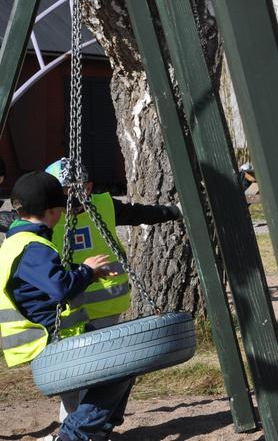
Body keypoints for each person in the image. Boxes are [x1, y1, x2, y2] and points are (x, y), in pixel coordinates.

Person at [44, 157, 180, 421]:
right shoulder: (47, 216)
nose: (68, 198)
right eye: (61, 192)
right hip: (67, 308)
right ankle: (78, 424)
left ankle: (81, 426)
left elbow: (140, 213)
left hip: (105, 303)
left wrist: (173, 211)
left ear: (88, 188)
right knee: (73, 371)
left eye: (74, 190)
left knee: (99, 368)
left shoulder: (104, 205)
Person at [0, 171, 132, 441]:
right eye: (61, 207)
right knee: (121, 366)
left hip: (46, 341)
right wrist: (84, 270)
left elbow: (45, 276)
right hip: (50, 343)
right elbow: (60, 287)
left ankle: (94, 429)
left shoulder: (17, 243)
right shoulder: (33, 247)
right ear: (52, 212)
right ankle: (74, 435)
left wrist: (88, 273)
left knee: (110, 368)